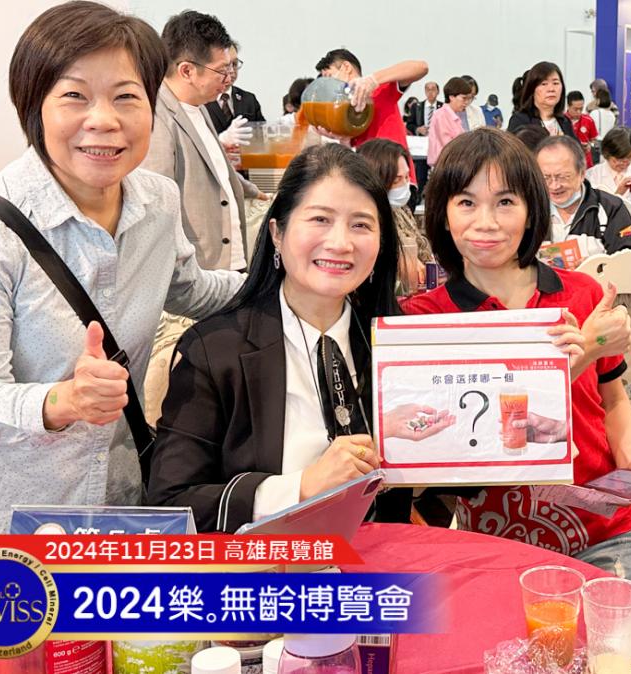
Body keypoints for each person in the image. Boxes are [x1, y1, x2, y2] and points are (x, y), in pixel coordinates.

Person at [0, 0, 243, 599]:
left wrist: (292, 280)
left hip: (111, 511)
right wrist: (64, 400)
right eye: (74, 96)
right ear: (34, 107)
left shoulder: (156, 201)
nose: (104, 120)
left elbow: (191, 289)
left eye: (127, 97)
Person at [148, 144, 446, 531]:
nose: (340, 243)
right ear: (277, 232)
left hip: (380, 561)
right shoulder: (216, 350)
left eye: (360, 225)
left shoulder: (395, 346)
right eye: (320, 219)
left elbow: (445, 480)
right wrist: (301, 487)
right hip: (266, 565)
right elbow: (171, 503)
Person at [403, 128, 631, 579]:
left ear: (532, 209)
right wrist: (583, 351)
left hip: (601, 530)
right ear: (442, 214)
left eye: (505, 202)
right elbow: (453, 444)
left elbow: (613, 400)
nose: (486, 222)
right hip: (492, 539)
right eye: (466, 202)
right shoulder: (424, 318)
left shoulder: (582, 294)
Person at [144, 9, 267, 273]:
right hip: (197, 270)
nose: (229, 78)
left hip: (228, 263)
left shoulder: (199, 106)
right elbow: (157, 206)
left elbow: (216, 169)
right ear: (187, 71)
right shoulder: (157, 116)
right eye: (221, 70)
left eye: (233, 66)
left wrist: (252, 190)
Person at [315, 48, 427, 182]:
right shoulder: (342, 112)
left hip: (397, 176)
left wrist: (373, 80)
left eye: (329, 76)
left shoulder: (379, 90)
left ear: (346, 67)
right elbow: (351, 158)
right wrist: (343, 139)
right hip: (369, 181)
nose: (329, 84)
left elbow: (421, 67)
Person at [536, 136, 631, 257]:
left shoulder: (610, 208)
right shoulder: (530, 209)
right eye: (545, 178)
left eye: (563, 177)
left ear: (582, 173)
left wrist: (595, 265)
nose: (554, 186)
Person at [358, 138, 432, 294]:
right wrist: (399, 259)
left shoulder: (401, 211)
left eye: (407, 177)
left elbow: (422, 248)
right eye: (397, 180)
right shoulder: (363, 223)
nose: (405, 185)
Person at [508, 62, 578, 140]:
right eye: (544, 84)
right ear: (532, 89)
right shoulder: (520, 121)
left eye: (555, 83)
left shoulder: (565, 122)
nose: (551, 89)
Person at [204, 43, 264, 134]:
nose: (231, 71)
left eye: (235, 64)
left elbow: (261, 133)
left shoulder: (249, 99)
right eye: (226, 65)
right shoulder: (201, 100)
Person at [427, 76, 473, 167]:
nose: (466, 102)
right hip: (445, 166)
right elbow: (448, 145)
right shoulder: (441, 115)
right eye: (464, 98)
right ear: (451, 97)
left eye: (469, 99)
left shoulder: (454, 115)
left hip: (453, 164)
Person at [586, 127, 631, 201]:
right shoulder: (592, 175)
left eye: (628, 159)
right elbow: (592, 204)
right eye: (618, 160)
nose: (624, 164)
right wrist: (618, 194)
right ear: (606, 154)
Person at [566, 90, 599, 167]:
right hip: (567, 161)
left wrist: (590, 145)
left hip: (586, 163)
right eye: (575, 109)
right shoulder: (561, 120)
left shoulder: (589, 120)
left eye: (581, 109)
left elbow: (594, 141)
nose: (579, 112)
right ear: (568, 106)